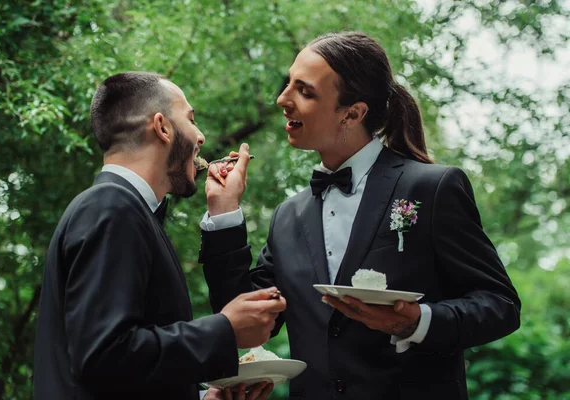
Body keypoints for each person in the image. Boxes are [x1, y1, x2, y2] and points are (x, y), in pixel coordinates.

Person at [198, 32, 521, 400]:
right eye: (288, 84)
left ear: (352, 113)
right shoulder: (288, 216)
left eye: (305, 91)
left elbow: (501, 305)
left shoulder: (432, 188)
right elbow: (246, 320)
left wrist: (417, 322)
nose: (282, 99)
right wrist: (223, 214)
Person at [33, 72, 285, 400]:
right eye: (191, 120)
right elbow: (103, 355)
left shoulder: (125, 209)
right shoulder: (111, 206)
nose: (201, 137)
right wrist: (224, 330)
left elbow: (123, 368)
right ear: (162, 127)